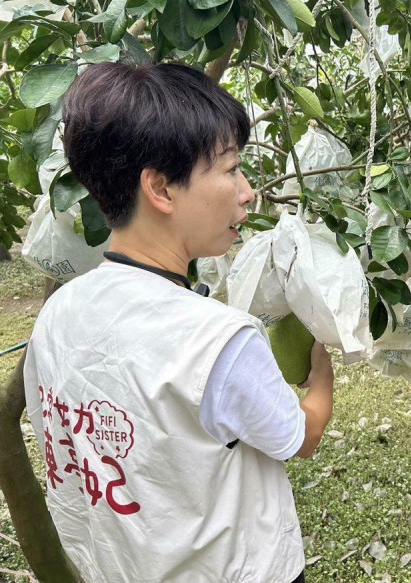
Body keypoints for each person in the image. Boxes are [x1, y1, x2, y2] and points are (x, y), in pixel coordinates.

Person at [23, 62, 334, 583]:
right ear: (161, 189)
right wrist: (321, 374)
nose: (248, 192)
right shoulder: (218, 341)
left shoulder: (56, 314)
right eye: (232, 168)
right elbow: (300, 436)